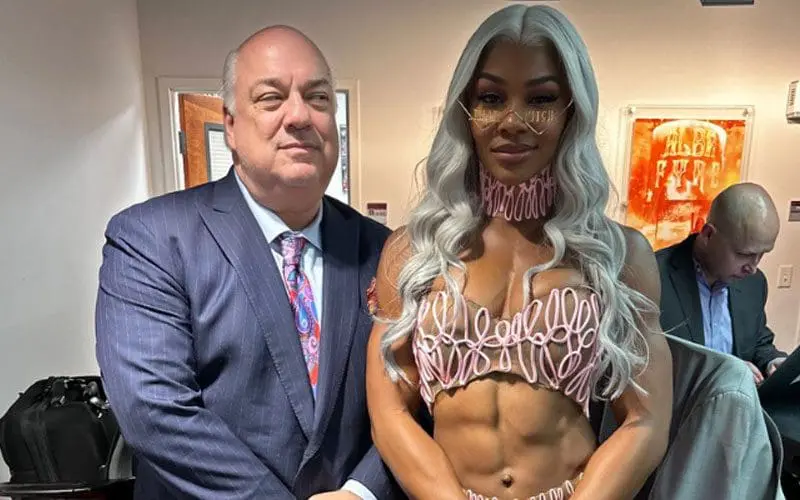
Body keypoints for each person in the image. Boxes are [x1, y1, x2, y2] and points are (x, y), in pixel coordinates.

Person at [365, 5, 673, 500]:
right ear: (465, 110)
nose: (513, 121)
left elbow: (646, 420)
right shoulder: (413, 251)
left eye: (541, 99)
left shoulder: (618, 256)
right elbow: (390, 412)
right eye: (491, 97)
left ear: (572, 110)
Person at [95, 25, 396, 500]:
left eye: (318, 98)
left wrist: (362, 491)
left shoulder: (385, 251)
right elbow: (153, 409)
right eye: (271, 98)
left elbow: (414, 395)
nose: (299, 115)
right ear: (230, 126)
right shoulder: (150, 238)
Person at [657, 182, 788, 384]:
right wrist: (721, 370)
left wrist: (773, 361)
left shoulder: (754, 283)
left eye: (762, 254)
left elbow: (757, 342)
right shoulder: (653, 276)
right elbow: (640, 361)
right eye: (744, 254)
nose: (753, 267)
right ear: (708, 235)